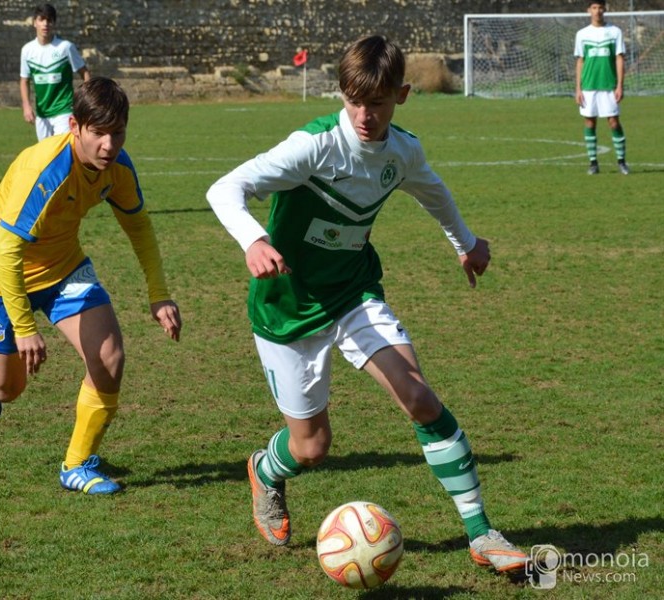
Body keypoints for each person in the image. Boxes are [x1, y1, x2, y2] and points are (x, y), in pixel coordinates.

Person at [206, 35, 528, 573]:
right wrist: (254, 240)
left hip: (354, 294)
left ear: (400, 95)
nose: (364, 115)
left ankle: (481, 533)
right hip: (287, 307)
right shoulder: (312, 146)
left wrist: (466, 245)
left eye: (376, 102)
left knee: (419, 398)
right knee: (311, 448)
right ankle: (267, 470)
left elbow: (435, 194)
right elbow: (225, 189)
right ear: (342, 94)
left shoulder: (402, 151)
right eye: (354, 101)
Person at [0, 76, 182, 495]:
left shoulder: (117, 168)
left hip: (63, 268)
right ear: (74, 125)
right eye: (98, 133)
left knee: (109, 356)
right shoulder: (44, 171)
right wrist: (26, 328)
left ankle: (77, 465)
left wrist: (159, 294)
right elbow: (7, 250)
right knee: (6, 389)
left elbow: (139, 225)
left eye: (118, 133)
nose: (109, 145)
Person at [20, 3, 91, 141]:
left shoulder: (65, 47)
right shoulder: (27, 50)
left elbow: (84, 73)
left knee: (61, 150)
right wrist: (26, 106)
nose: (45, 24)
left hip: (64, 111)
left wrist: (88, 100)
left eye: (49, 20)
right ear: (34, 22)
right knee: (47, 156)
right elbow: (24, 80)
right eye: (41, 19)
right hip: (42, 115)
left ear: (54, 23)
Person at [574, 0, 629, 175]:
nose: (597, 11)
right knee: (590, 121)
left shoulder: (614, 32)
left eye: (600, 8)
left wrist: (620, 85)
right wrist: (578, 88)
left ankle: (621, 162)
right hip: (588, 85)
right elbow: (580, 61)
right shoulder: (582, 34)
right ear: (588, 10)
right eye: (594, 8)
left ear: (605, 9)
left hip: (609, 85)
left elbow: (619, 58)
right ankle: (593, 163)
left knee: (614, 122)